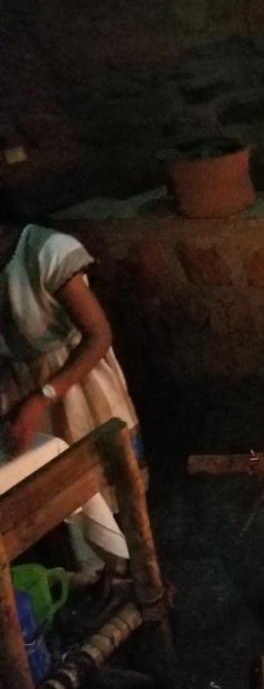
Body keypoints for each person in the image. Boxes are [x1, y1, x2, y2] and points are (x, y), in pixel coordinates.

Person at [1, 215, 138, 571]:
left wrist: (43, 396)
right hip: (17, 389)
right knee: (48, 500)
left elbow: (98, 335)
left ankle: (130, 576)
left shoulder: (45, 251)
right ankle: (84, 581)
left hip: (74, 384)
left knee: (101, 487)